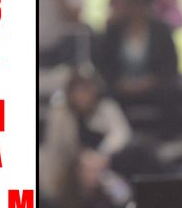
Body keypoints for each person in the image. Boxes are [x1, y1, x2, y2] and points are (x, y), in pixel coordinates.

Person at [40, 70, 134, 200]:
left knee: (122, 194)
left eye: (86, 90)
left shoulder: (106, 108)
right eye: (78, 91)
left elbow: (122, 133)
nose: (82, 96)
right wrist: (80, 162)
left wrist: (100, 155)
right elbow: (55, 147)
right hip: (71, 169)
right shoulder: (60, 114)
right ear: (70, 93)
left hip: (105, 166)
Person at [98, 0, 180, 114]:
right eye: (133, 4)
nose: (137, 9)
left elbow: (170, 64)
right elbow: (104, 63)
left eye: (141, 4)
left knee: (171, 95)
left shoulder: (161, 31)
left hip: (154, 86)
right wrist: (120, 82)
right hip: (121, 86)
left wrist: (151, 81)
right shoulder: (114, 31)